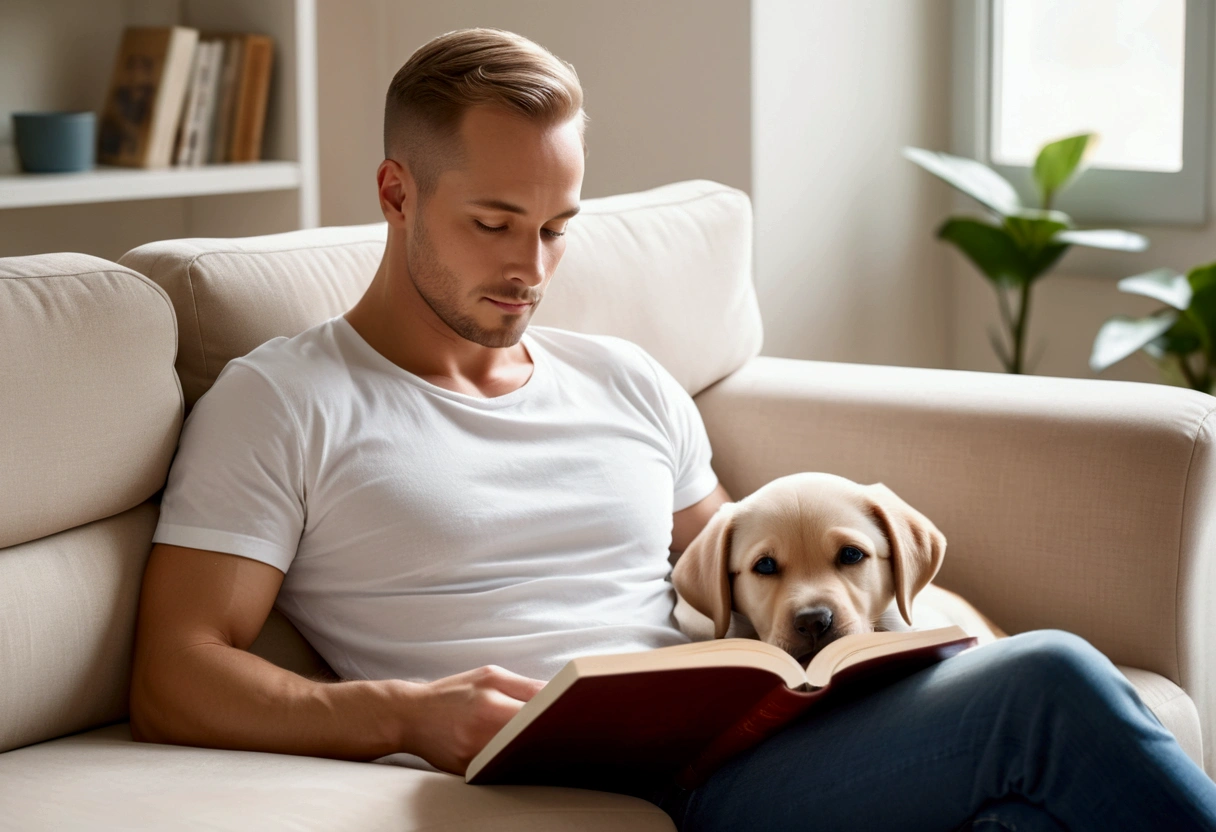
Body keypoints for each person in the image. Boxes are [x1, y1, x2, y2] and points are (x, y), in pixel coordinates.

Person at [129, 26, 1216, 832]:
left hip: (742, 740)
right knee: (1053, 681)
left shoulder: (628, 380)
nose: (530, 268)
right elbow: (175, 672)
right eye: (494, 224)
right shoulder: (283, 400)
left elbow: (730, 574)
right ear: (396, 191)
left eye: (558, 228)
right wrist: (407, 713)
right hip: (626, 782)